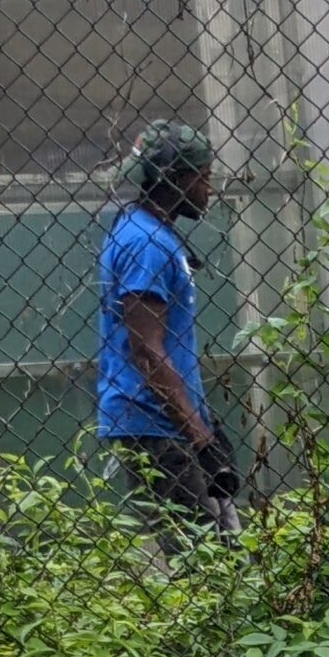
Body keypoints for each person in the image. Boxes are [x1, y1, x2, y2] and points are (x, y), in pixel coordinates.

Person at [98, 120, 236, 534]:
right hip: (154, 427)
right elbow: (146, 350)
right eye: (203, 178)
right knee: (206, 563)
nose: (208, 190)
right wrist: (201, 440)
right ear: (174, 180)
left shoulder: (145, 231)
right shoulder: (148, 244)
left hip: (168, 422)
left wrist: (205, 424)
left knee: (223, 546)